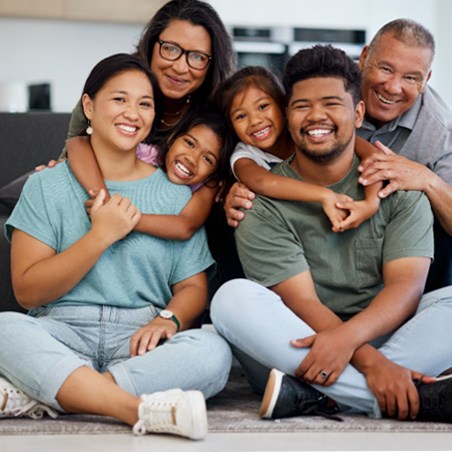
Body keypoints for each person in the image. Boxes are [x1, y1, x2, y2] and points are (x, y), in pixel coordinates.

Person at [211, 45, 452, 423]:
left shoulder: (398, 188)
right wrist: (371, 364)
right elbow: (300, 304)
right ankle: (405, 396)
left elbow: (405, 291)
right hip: (297, 345)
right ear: (288, 116)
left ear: (358, 114)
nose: (316, 116)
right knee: (231, 299)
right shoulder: (260, 201)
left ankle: (315, 397)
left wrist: (353, 343)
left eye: (330, 104)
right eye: (302, 106)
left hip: (387, 339)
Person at [0, 53, 232, 440]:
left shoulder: (175, 196)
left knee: (214, 351)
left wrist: (168, 320)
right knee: (3, 328)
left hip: (141, 339)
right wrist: (100, 235)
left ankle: (56, 393)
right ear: (88, 106)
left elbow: (192, 288)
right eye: (119, 99)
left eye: (144, 103)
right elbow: (27, 291)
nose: (132, 112)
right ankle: (130, 407)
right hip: (62, 330)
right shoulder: (46, 186)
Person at [224, 19, 452, 292]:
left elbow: (373, 159)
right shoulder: (327, 91)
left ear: (425, 80)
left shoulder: (440, 132)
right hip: (313, 240)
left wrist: (428, 181)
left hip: (396, 253)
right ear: (364, 57)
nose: (393, 86)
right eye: (385, 68)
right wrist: (237, 189)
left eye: (410, 77)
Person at [216, 65, 382, 232]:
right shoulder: (244, 155)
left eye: (263, 106)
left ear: (284, 107)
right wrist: (324, 196)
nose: (255, 121)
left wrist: (371, 203)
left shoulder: (305, 132)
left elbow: (373, 157)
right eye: (241, 116)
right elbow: (263, 182)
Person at [66, 104, 233, 240]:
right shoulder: (147, 154)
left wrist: (123, 219)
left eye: (208, 159)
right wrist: (105, 201)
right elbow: (77, 143)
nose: (192, 158)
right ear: (172, 137)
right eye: (190, 143)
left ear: (215, 173)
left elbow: (185, 226)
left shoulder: (207, 185)